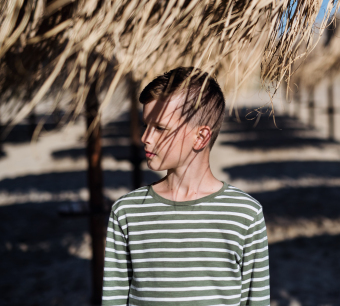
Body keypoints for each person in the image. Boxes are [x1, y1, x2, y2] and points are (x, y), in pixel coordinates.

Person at [102, 67, 269, 306]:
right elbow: (114, 299)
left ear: (200, 138)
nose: (145, 137)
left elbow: (256, 300)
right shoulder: (127, 212)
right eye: (145, 125)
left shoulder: (245, 214)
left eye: (159, 128)